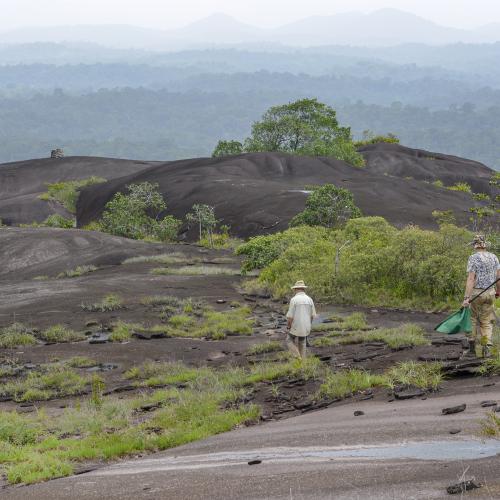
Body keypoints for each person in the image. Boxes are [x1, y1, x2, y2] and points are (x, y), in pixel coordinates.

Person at [462, 234, 500, 358]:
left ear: (475, 245)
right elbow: (498, 278)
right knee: (487, 321)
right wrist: (498, 291)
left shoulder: (473, 258)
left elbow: (471, 279)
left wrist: (466, 298)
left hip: (477, 293)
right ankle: (486, 349)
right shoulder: (494, 257)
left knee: (472, 319)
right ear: (484, 245)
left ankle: (472, 351)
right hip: (490, 293)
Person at [286, 280, 317, 359]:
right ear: (303, 289)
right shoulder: (310, 299)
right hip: (306, 326)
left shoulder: (294, 299)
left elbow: (290, 317)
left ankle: (297, 356)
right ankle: (303, 362)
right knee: (302, 343)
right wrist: (308, 325)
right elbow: (312, 316)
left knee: (289, 340)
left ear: (296, 289)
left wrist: (289, 326)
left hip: (296, 326)